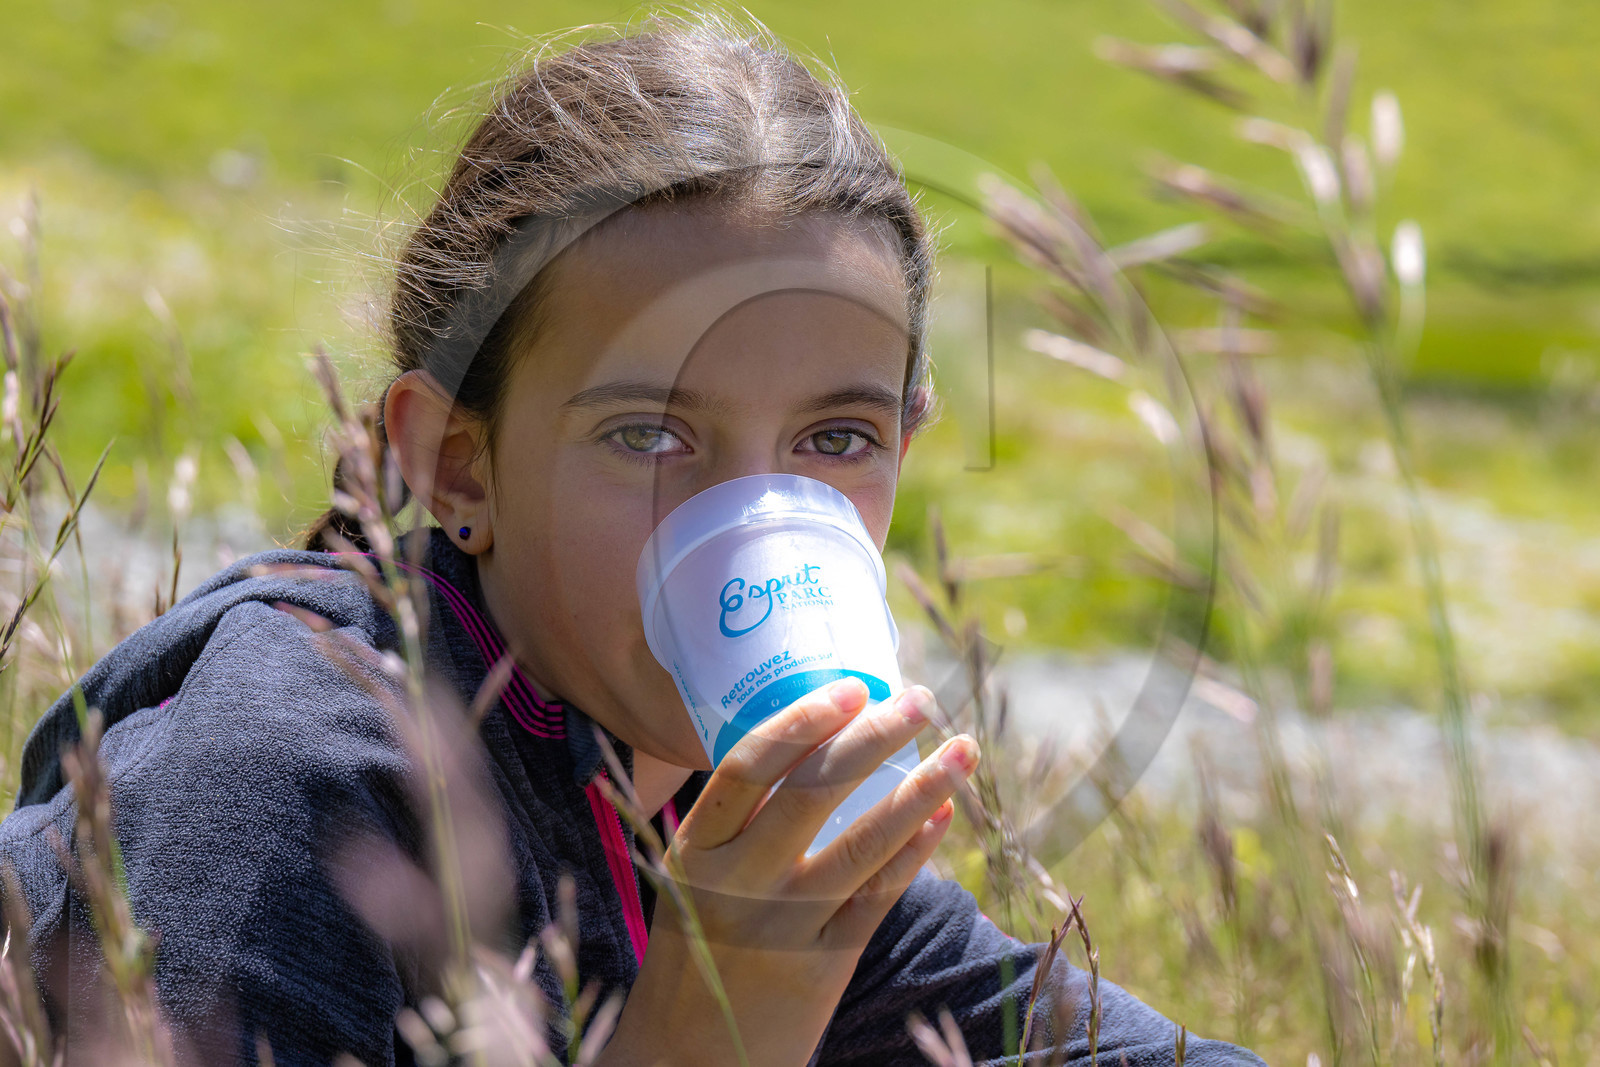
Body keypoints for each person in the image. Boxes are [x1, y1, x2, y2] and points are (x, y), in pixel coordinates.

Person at [0, 11, 1266, 1066]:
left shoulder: (718, 805)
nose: (749, 517)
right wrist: (705, 1028)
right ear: (456, 463)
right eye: (651, 436)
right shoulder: (284, 783)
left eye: (835, 439)